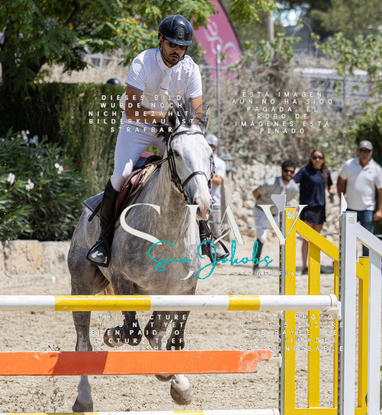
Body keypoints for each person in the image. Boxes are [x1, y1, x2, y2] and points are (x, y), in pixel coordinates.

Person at [87, 14, 226, 267]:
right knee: (121, 174)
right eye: (173, 44)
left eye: (182, 47)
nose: (177, 51)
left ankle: (205, 235)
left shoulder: (191, 69)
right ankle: (103, 240)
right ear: (160, 40)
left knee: (193, 171)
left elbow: (196, 114)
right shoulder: (142, 62)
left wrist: (179, 127)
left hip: (171, 130)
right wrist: (164, 116)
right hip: (136, 127)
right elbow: (131, 110)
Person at [337, 140, 382, 256]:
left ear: (371, 152)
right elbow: (340, 181)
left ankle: (365, 265)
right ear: (358, 151)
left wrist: (380, 210)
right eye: (362, 150)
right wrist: (342, 200)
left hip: (367, 209)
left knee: (367, 241)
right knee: (349, 240)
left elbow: (381, 190)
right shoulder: (349, 164)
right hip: (350, 208)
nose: (364, 153)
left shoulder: (376, 168)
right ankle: (350, 263)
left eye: (367, 151)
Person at [252, 160, 299, 274]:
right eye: (286, 171)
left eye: (291, 172)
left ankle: (287, 266)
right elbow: (255, 194)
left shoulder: (294, 189)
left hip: (276, 213)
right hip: (261, 211)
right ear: (282, 171)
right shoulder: (269, 183)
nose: (289, 173)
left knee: (287, 236)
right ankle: (255, 266)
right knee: (262, 237)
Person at [293, 149, 334, 274]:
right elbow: (292, 182)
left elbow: (330, 185)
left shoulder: (325, 172)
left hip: (320, 208)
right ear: (311, 158)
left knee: (316, 239)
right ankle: (304, 267)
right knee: (306, 238)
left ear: (323, 159)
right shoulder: (304, 171)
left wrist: (331, 193)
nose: (317, 160)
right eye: (315, 157)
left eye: (320, 157)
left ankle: (314, 266)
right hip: (307, 208)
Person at [205, 134, 226, 240]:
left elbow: (217, 181)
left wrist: (204, 175)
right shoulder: (199, 160)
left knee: (216, 236)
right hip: (199, 203)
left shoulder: (220, 163)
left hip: (214, 203)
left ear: (213, 147)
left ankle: (218, 251)